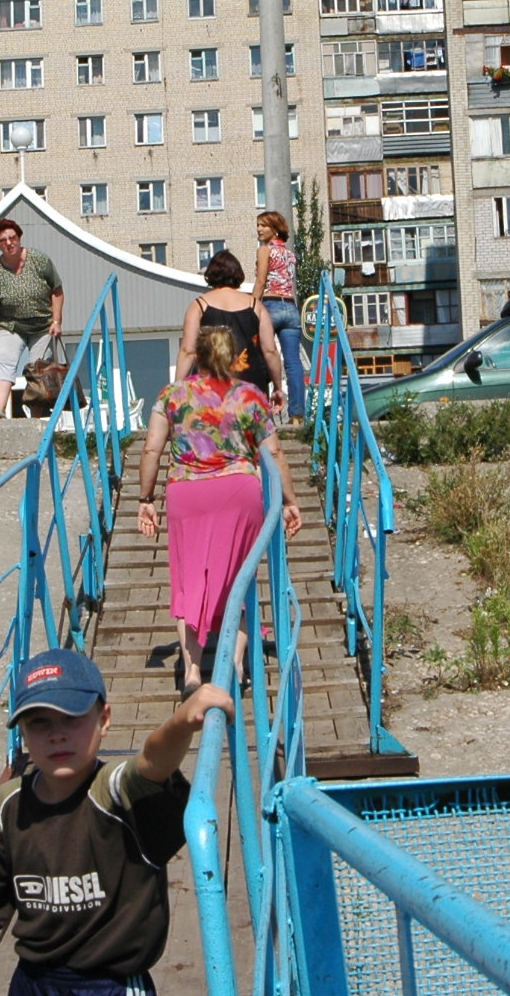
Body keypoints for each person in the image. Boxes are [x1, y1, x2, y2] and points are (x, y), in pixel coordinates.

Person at [0, 649, 231, 996]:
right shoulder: (7, 805)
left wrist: (182, 721)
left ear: (104, 719)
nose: (56, 734)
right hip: (33, 982)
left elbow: (152, 761)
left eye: (71, 717)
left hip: (111, 984)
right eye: (39, 722)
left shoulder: (116, 792)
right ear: (22, 732)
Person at [138, 324, 301, 695]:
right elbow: (274, 452)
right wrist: (290, 501)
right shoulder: (250, 396)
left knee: (189, 582)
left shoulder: (172, 395)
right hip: (239, 491)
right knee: (238, 580)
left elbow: (151, 449)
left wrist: (145, 500)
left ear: (197, 355)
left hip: (187, 494)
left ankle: (192, 672)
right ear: (233, 357)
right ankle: (235, 666)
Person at [175, 250, 285, 406]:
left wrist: (177, 389)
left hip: (210, 388)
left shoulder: (199, 305)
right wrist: (278, 388)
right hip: (251, 386)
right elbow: (270, 350)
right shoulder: (256, 306)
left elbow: (188, 351)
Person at [0, 217, 64, 419]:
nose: (9, 243)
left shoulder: (39, 260)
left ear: (19, 237)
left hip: (42, 327)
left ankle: (35, 417)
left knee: (38, 369)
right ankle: (0, 408)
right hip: (11, 326)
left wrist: (56, 321)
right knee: (6, 362)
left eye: (12, 238)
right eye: (3, 240)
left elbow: (57, 291)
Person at [255, 211, 306, 419]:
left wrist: (252, 306)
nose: (259, 229)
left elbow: (261, 281)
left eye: (263, 225)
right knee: (293, 362)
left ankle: (261, 413)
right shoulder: (290, 254)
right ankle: (297, 414)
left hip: (270, 305)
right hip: (291, 308)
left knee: (262, 358)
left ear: (275, 229)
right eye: (258, 225)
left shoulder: (264, 250)